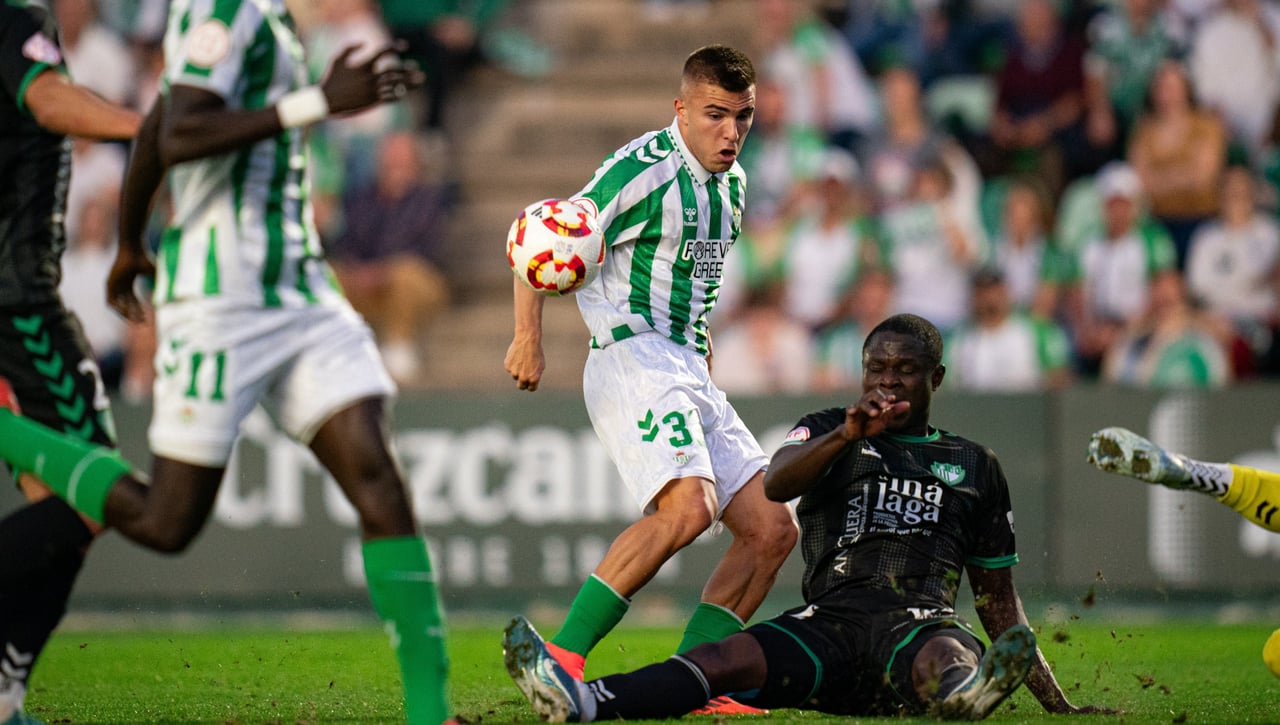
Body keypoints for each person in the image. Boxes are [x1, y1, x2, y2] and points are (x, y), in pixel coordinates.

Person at [0, 2, 450, 724]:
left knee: (379, 481)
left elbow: (157, 132)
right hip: (221, 296)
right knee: (164, 520)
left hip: (299, 288)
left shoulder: (269, 17)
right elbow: (178, 129)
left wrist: (127, 244)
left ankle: (432, 713)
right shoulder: (220, 7)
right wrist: (318, 103)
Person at [503, 313, 1116, 722]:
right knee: (721, 661)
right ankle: (584, 704)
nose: (888, 382)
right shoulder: (829, 429)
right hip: (830, 624)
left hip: (919, 624)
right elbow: (776, 482)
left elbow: (999, 602)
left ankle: (959, 698)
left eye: (904, 371)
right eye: (877, 369)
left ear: (937, 379)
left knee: (949, 657)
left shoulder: (975, 464)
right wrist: (848, 434)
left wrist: (1056, 706)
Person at [503, 44, 799, 717]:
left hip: (688, 363)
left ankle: (699, 677)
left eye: (743, 118)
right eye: (715, 115)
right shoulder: (640, 171)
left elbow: (694, 280)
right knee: (687, 510)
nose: (731, 133)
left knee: (771, 528)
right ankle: (559, 658)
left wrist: (704, 352)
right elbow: (545, 238)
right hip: (632, 355)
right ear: (681, 110)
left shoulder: (735, 185)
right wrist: (528, 335)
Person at [0, 2, 141, 723]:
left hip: (19, 299)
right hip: (15, 308)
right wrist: (147, 126)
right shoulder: (10, 21)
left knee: (59, 507)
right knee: (94, 496)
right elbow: (48, 98)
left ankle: (4, 690)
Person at [328, 130, 454, 386]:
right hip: (366, 282)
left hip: (418, 283)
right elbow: (348, 242)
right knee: (328, 276)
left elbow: (423, 249)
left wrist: (381, 271)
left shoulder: (429, 200)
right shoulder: (363, 199)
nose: (395, 167)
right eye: (390, 160)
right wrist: (359, 270)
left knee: (404, 273)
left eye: (401, 160)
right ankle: (330, 351)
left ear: (416, 164)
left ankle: (399, 349)